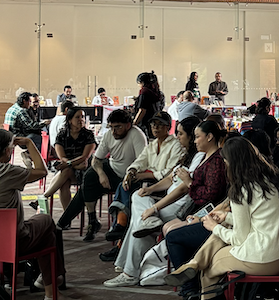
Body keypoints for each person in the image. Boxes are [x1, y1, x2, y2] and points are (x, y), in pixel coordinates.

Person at [164, 134, 279, 300]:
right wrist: (226, 217)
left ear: (231, 163)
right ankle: (193, 264)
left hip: (265, 259)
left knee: (208, 272)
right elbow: (262, 220)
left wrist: (214, 227)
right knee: (224, 227)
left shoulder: (243, 189)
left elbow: (239, 239)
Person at [0, 129, 80, 300]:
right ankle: (51, 290)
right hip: (10, 243)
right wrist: (30, 144)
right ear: (7, 151)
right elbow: (42, 171)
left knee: (44, 232)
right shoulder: (7, 171)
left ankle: (50, 282)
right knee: (46, 222)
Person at [110, 117, 228, 287]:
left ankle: (129, 271)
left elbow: (189, 189)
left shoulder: (208, 159)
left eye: (182, 134)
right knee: (139, 203)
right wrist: (150, 190)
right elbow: (171, 178)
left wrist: (155, 207)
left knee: (141, 220)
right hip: (176, 201)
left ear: (208, 137)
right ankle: (127, 264)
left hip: (185, 206)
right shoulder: (191, 155)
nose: (177, 137)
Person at [56, 107, 147, 241]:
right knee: (89, 176)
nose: (114, 131)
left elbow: (142, 163)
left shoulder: (136, 135)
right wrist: (101, 174)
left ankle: (64, 223)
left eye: (118, 127)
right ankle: (92, 219)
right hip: (111, 169)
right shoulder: (109, 135)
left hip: (131, 176)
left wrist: (130, 174)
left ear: (128, 126)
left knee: (83, 191)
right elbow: (96, 159)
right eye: (111, 127)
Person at [100, 111, 184, 254]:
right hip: (147, 181)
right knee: (125, 185)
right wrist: (131, 172)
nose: (155, 128)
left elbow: (170, 172)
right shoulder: (152, 144)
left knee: (130, 196)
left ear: (168, 127)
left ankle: (120, 230)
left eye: (160, 125)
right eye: (153, 124)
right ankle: (120, 228)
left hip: (162, 185)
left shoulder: (175, 145)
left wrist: (147, 175)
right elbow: (140, 161)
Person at [44, 105, 96, 208]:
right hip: (70, 169)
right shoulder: (62, 135)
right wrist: (72, 165)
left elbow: (84, 157)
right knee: (64, 182)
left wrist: (69, 164)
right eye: (77, 117)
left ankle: (45, 196)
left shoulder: (88, 135)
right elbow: (62, 157)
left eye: (83, 117)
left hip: (85, 172)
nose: (81, 120)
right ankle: (67, 214)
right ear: (69, 120)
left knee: (65, 173)